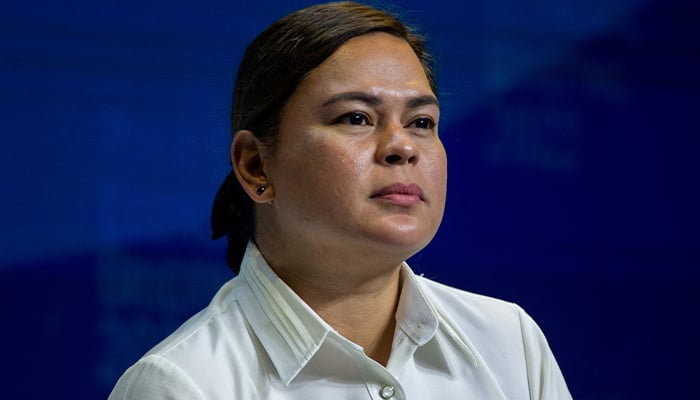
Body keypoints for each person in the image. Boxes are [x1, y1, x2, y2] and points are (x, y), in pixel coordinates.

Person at [109, 2, 572, 399]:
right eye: (356, 117)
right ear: (255, 165)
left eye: (422, 122)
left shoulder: (509, 342)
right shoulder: (183, 385)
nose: (402, 146)